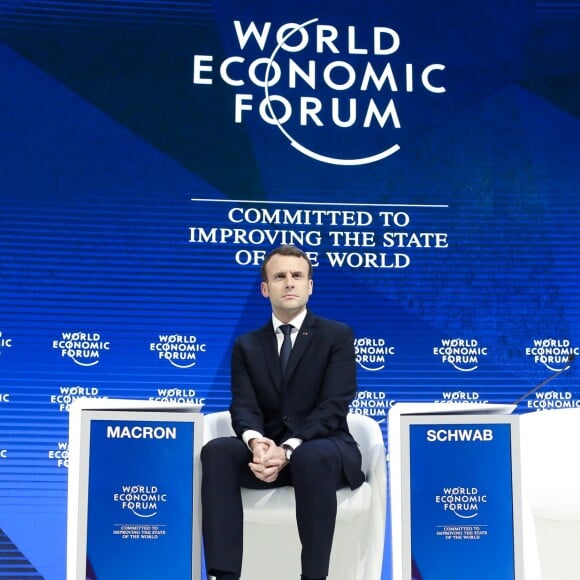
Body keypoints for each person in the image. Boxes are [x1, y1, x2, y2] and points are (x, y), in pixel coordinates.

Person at [201, 244, 365, 580]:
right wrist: (257, 443)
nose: (289, 282)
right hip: (268, 457)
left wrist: (290, 448)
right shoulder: (247, 344)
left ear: (310, 286)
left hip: (323, 450)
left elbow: (334, 405)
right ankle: (224, 575)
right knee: (217, 451)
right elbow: (243, 404)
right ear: (265, 289)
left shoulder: (337, 336)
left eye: (297, 275)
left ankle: (314, 577)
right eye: (279, 276)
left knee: (311, 456)